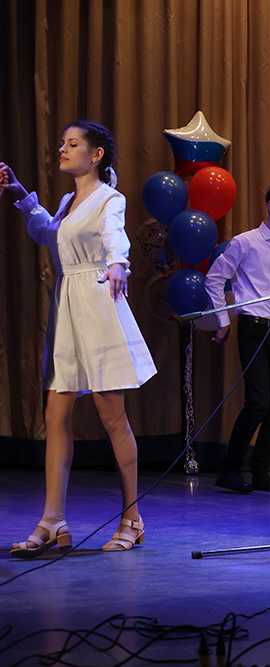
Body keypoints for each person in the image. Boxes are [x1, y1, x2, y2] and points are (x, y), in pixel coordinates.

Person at [3, 120, 156, 556]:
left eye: (73, 144)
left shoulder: (109, 198)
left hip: (98, 302)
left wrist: (118, 264)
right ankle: (53, 519)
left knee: (112, 416)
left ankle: (132, 518)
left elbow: (114, 235)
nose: (63, 149)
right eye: (62, 143)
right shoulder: (69, 201)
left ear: (96, 155)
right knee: (56, 413)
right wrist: (21, 194)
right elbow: (49, 234)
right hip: (68, 308)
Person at [206, 182, 270, 494]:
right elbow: (214, 278)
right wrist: (223, 320)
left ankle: (260, 472)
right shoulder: (245, 242)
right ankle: (229, 468)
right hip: (253, 328)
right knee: (258, 402)